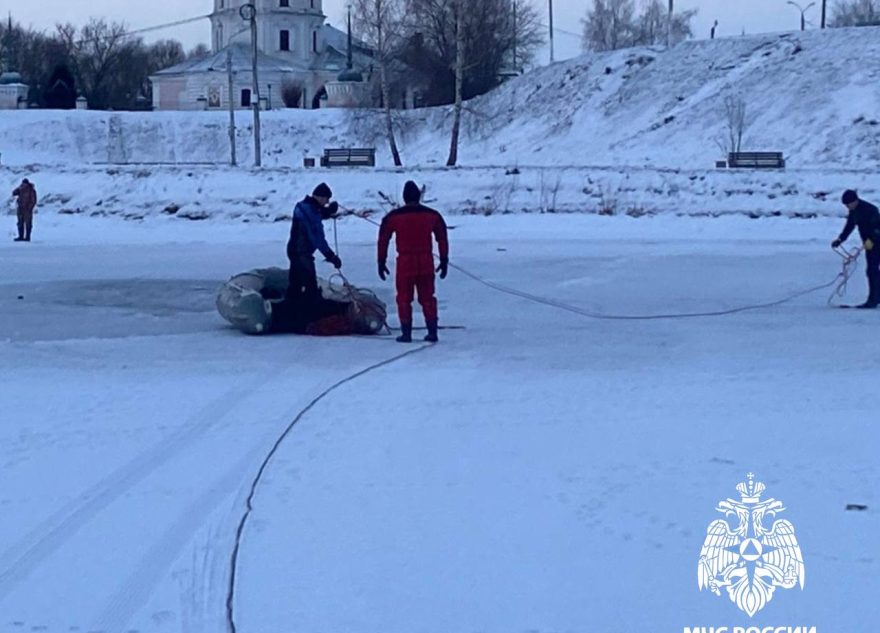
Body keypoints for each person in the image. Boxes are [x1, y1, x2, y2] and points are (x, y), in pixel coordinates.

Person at [377, 181, 449, 343]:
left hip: (405, 261)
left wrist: (381, 261)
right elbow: (442, 238)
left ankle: (406, 333)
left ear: (404, 198)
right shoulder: (433, 215)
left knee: (404, 298)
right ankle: (432, 331)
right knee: (428, 297)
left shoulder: (393, 217)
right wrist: (444, 259)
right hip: (426, 260)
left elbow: (383, 240)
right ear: (418, 196)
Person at [285, 183, 343, 327]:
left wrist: (327, 211)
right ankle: (308, 318)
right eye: (326, 199)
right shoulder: (308, 211)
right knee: (310, 285)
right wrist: (331, 256)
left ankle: (291, 316)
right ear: (319, 196)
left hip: (296, 251)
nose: (327, 202)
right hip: (301, 253)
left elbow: (315, 214)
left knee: (296, 284)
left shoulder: (304, 206)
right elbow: (317, 237)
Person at [832, 190, 880, 309]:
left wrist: (872, 239)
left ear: (855, 200)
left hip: (876, 242)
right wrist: (840, 239)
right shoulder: (854, 211)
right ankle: (875, 298)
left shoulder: (871, 210)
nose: (848, 207)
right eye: (846, 205)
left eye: (849, 204)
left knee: (872, 271)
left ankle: (873, 300)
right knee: (872, 271)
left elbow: (878, 227)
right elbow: (850, 226)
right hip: (870, 245)